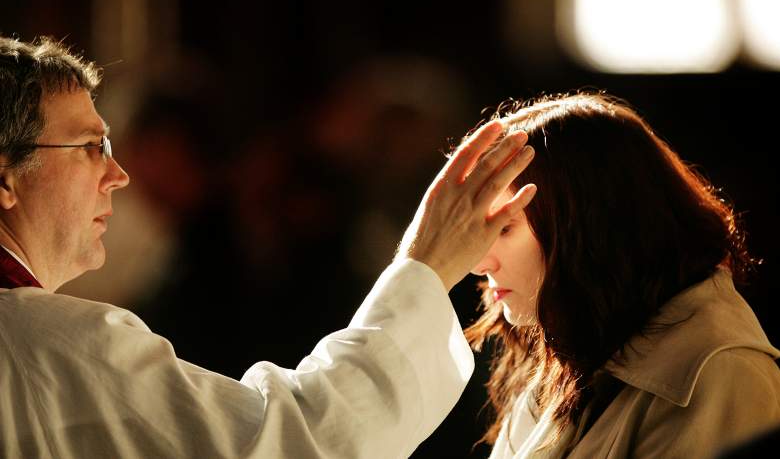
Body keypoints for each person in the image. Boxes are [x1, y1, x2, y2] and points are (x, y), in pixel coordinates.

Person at [0, 35, 539, 457]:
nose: (118, 175)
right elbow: (301, 445)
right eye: (92, 146)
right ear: (6, 178)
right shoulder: (42, 345)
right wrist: (425, 266)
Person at [464, 92, 780, 458]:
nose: (479, 263)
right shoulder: (568, 356)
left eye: (504, 229)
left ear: (588, 225)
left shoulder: (722, 376)